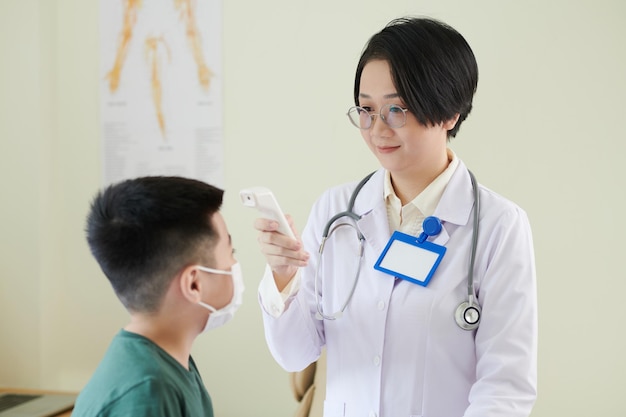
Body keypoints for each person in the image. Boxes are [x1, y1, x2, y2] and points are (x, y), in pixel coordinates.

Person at [253, 16, 537, 417]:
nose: (377, 128)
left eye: (397, 109)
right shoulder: (336, 212)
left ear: (450, 112)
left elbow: (505, 387)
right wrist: (283, 276)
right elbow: (295, 354)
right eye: (366, 109)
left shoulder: (498, 226)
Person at [72, 176, 243, 417]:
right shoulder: (145, 393)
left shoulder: (169, 362)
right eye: (230, 252)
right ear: (194, 283)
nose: (235, 265)